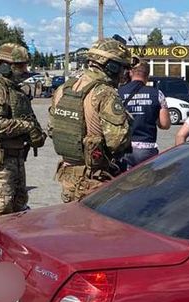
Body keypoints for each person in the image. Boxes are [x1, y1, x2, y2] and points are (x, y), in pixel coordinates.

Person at [49, 37, 133, 203]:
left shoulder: (63, 89)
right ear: (111, 66)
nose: (124, 73)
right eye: (122, 67)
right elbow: (116, 141)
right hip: (95, 178)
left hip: (68, 174)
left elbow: (53, 129)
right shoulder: (105, 93)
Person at [0, 43, 46, 219]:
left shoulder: (15, 90)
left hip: (17, 157)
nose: (24, 70)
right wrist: (27, 127)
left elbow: (27, 118)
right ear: (5, 66)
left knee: (19, 207)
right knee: (0, 210)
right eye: (19, 66)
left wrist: (37, 134)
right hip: (1, 161)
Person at [118, 61, 171, 169]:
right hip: (146, 148)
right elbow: (165, 124)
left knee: (124, 178)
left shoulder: (118, 93)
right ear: (148, 75)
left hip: (124, 147)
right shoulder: (157, 94)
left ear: (131, 73)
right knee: (145, 178)